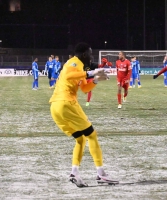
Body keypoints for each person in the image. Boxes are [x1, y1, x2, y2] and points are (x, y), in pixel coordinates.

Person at [49, 42, 118, 187]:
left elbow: (85, 88)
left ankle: (74, 173)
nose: (92, 57)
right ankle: (101, 174)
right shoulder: (74, 62)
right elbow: (68, 75)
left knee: (81, 139)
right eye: (91, 54)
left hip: (56, 107)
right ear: (84, 54)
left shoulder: (79, 66)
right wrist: (92, 73)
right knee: (92, 135)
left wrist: (97, 80)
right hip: (66, 103)